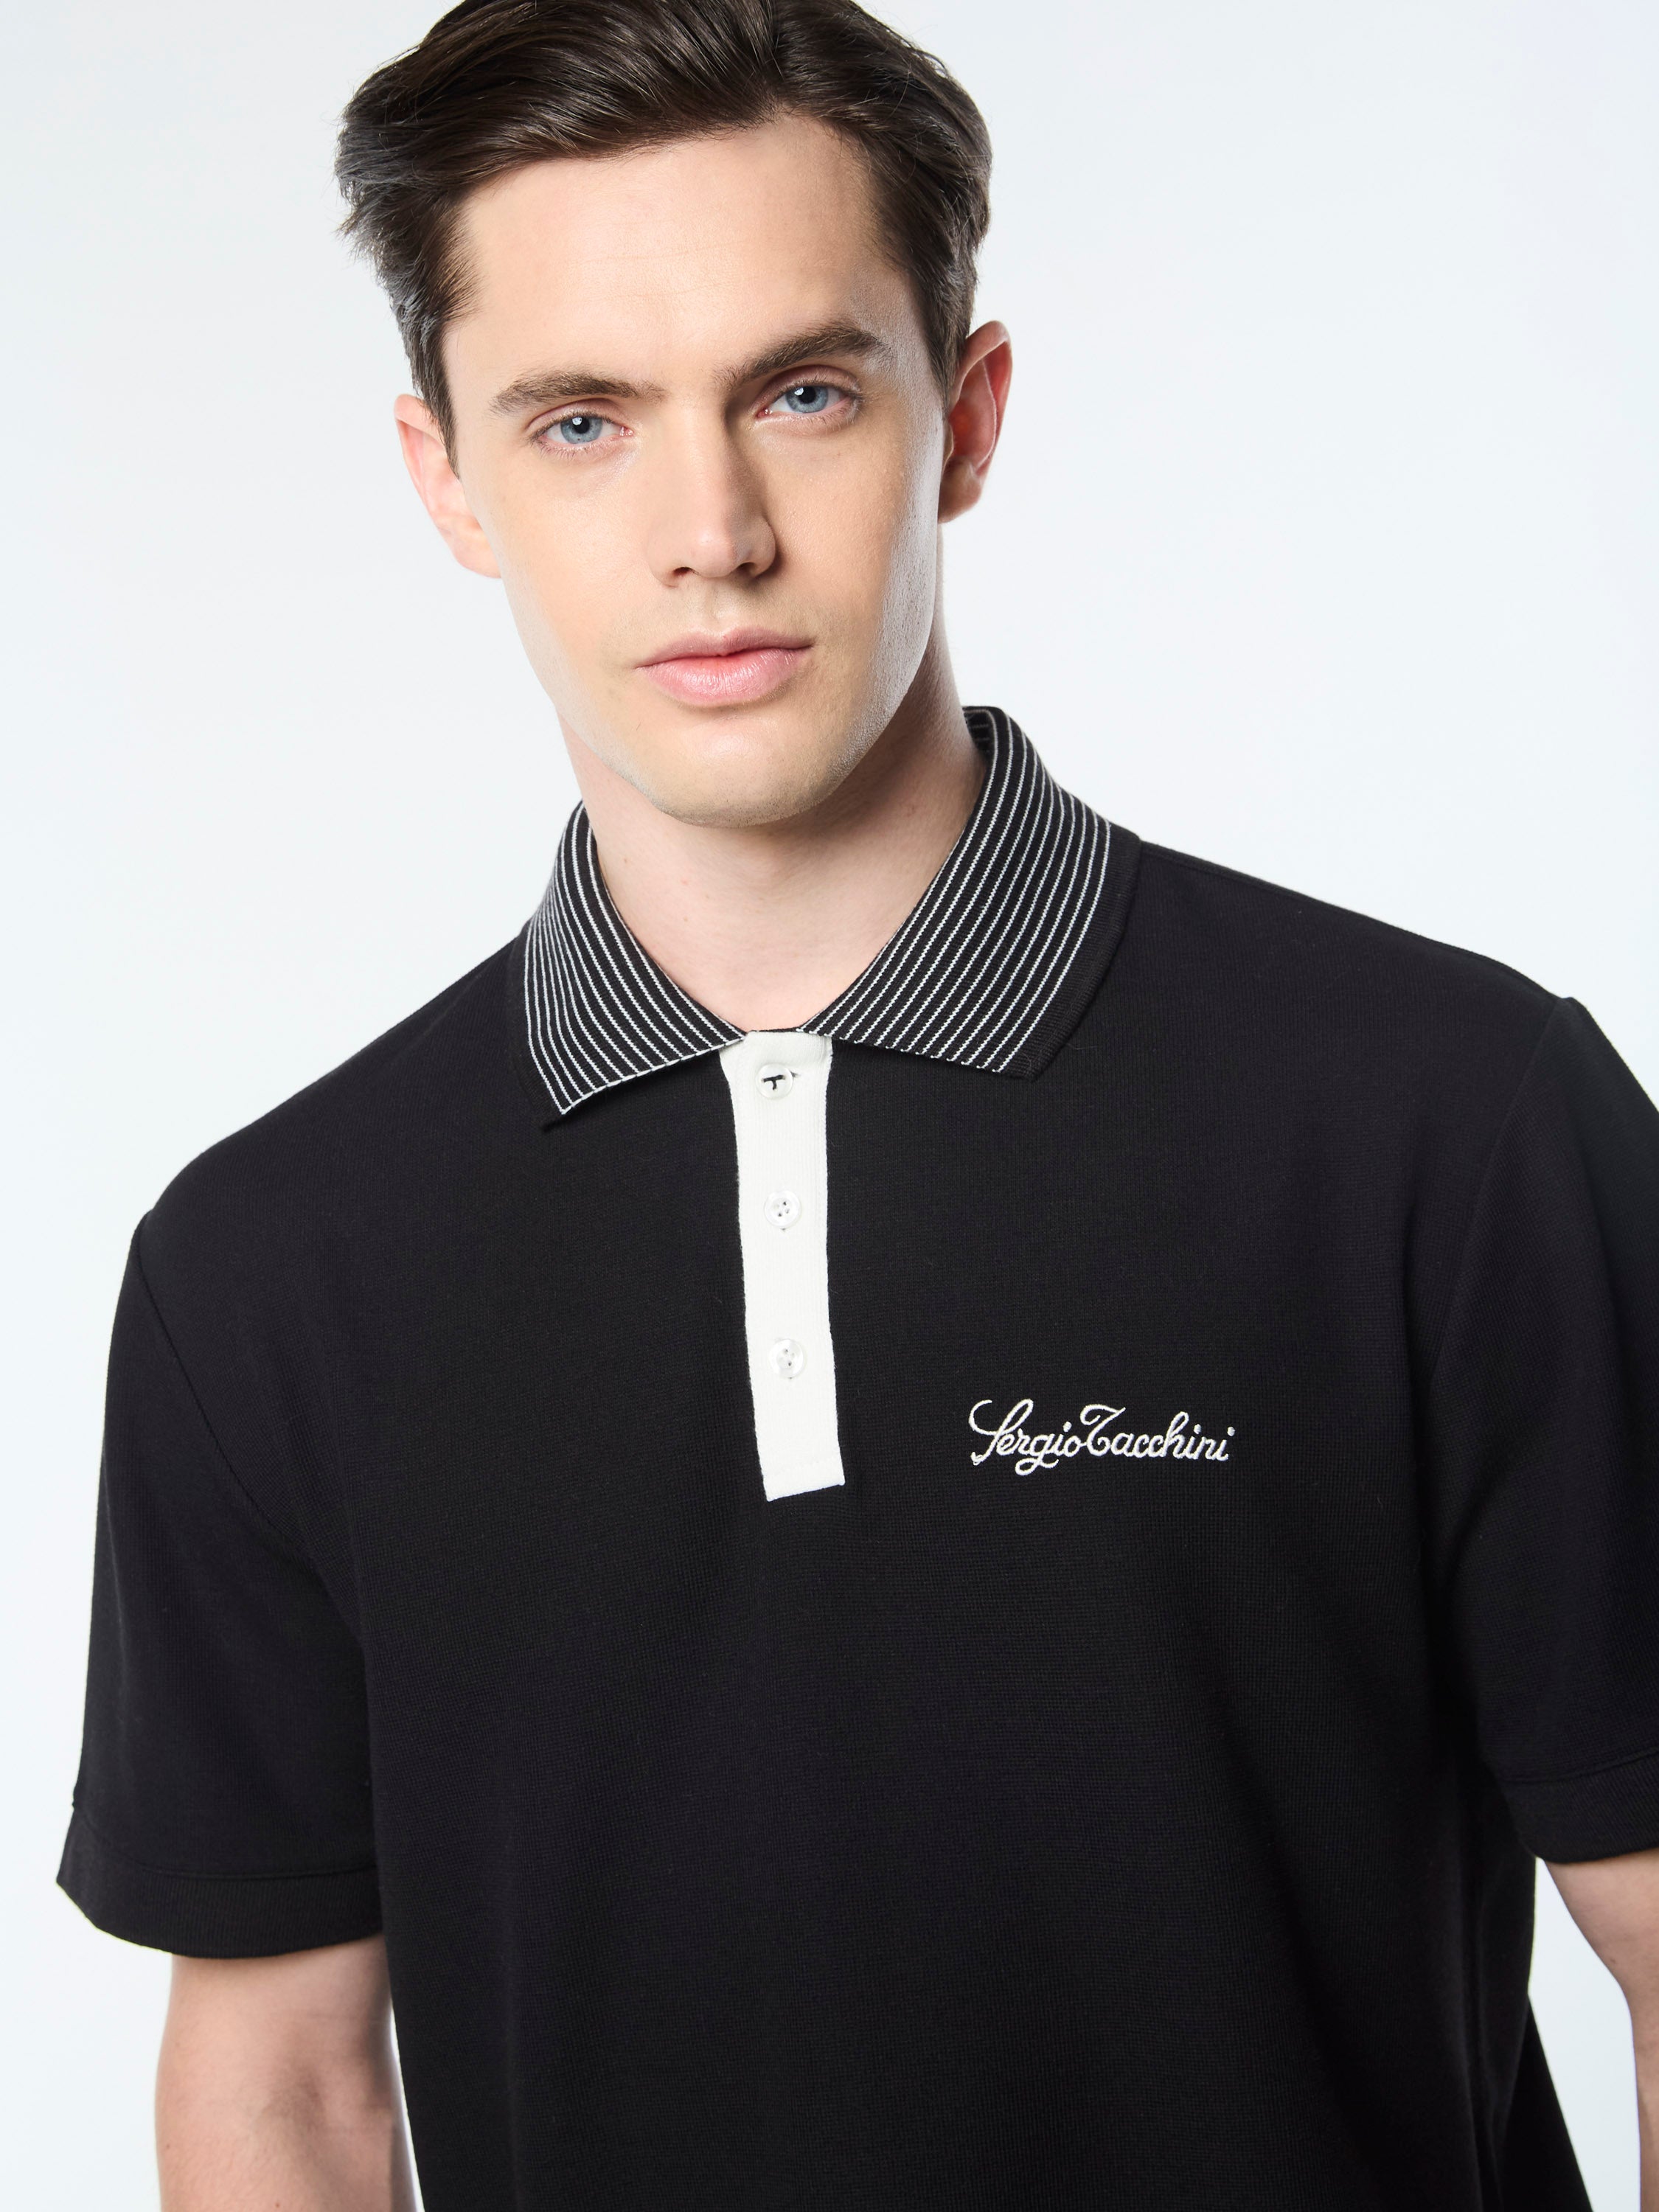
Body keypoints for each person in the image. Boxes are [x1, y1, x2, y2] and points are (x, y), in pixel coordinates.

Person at [58, 1, 1659, 2205]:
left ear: (963, 417)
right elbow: (285, 2086)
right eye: (582, 422)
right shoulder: (267, 1271)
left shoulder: (1450, 1127)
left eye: (801, 393)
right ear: (446, 479)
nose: (709, 531)